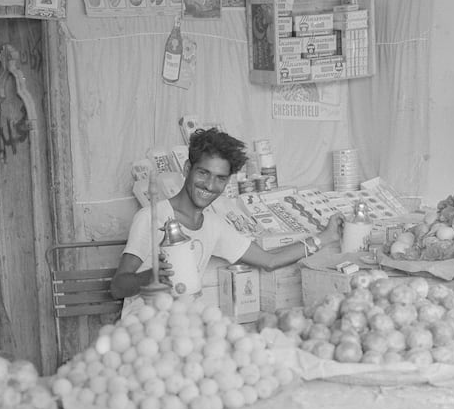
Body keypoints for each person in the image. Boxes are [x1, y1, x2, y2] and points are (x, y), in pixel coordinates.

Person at [110, 128, 342, 316]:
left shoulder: (213, 225)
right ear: (187, 168)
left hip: (184, 330)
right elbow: (118, 287)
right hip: (142, 333)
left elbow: (270, 261)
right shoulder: (152, 218)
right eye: (203, 173)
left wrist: (325, 237)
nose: (210, 186)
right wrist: (152, 276)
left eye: (220, 178)